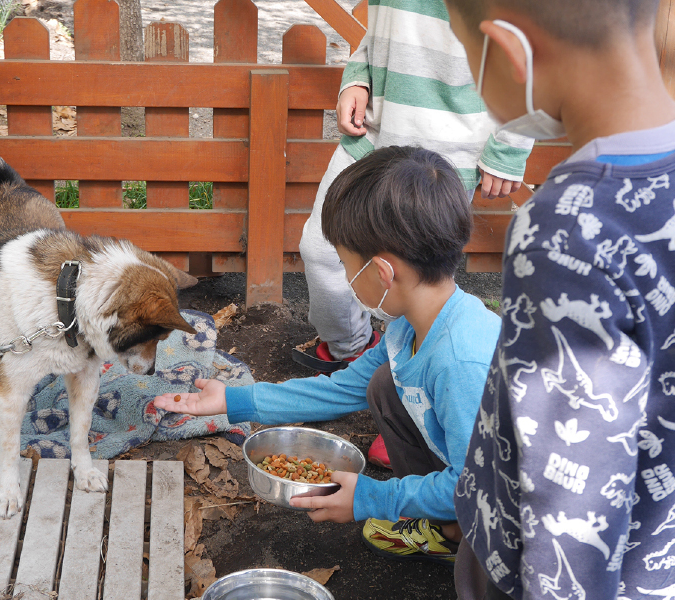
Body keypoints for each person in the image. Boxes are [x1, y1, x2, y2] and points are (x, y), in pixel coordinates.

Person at [155, 145, 502, 565]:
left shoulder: (461, 361)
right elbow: (342, 390)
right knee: (382, 385)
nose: (345, 279)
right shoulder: (412, 322)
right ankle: (448, 530)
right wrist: (233, 400)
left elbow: (477, 486)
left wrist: (375, 498)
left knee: (484, 570)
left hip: (516, 510)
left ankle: (471, 544)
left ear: (381, 273)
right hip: (477, 474)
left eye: (343, 265)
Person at [440, 0, 675, 598]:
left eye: (471, 57)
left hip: (534, 564)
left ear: (513, 54)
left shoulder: (563, 230)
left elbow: (572, 491)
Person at [298, 0, 533, 371]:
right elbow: (387, 20)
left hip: (446, 150)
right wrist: (359, 75)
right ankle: (353, 353)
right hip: (373, 133)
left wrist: (511, 145)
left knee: (415, 283)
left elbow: (540, 47)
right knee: (320, 249)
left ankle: (405, 388)